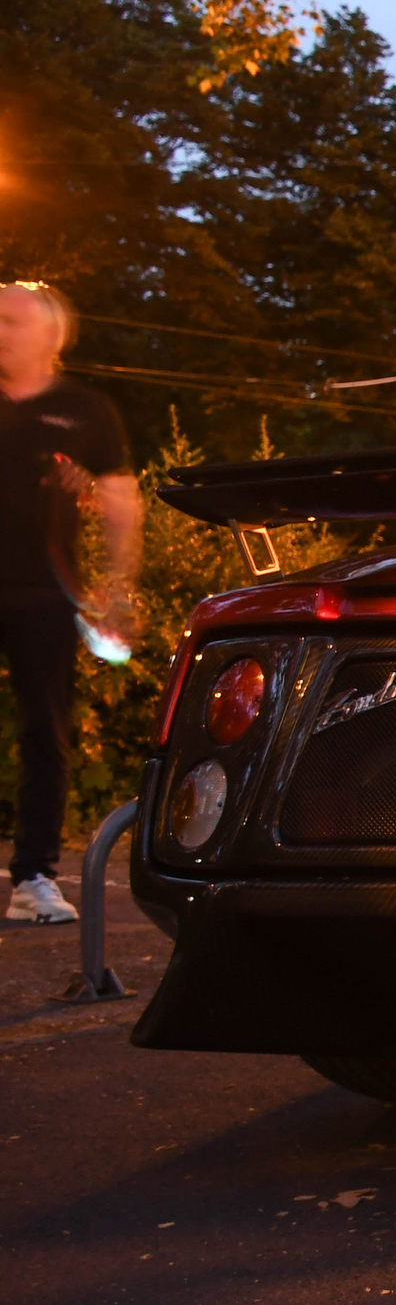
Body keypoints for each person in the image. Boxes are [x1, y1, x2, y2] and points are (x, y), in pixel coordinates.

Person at [0, 282, 139, 924]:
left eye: (9, 320)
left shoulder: (85, 411)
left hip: (44, 595)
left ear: (49, 337)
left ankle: (33, 879)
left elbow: (119, 503)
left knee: (45, 733)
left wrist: (119, 589)